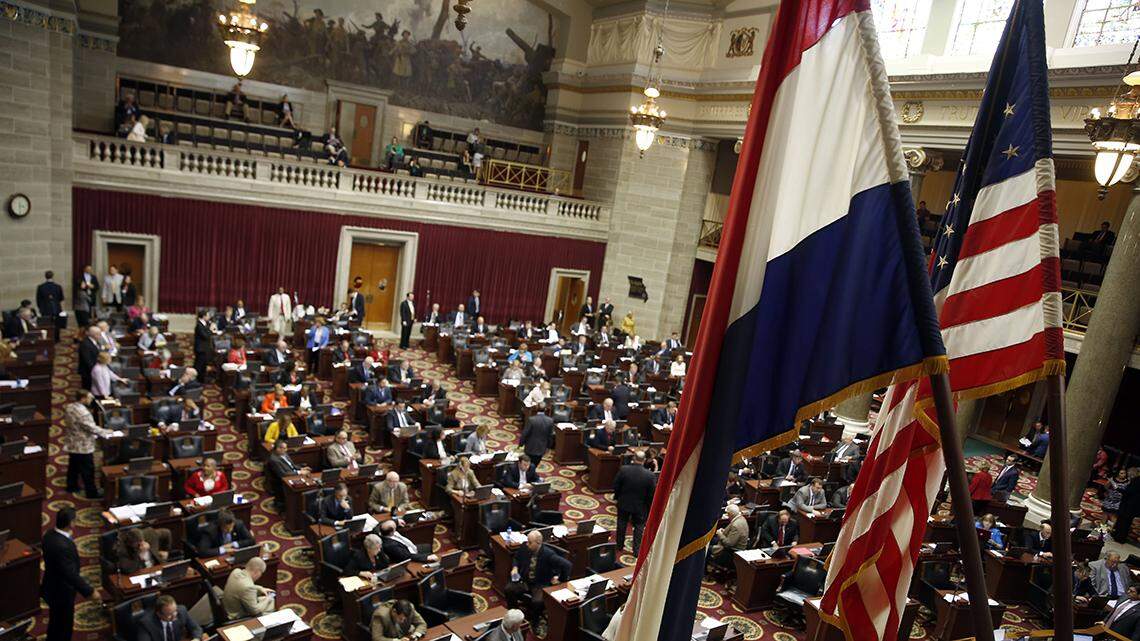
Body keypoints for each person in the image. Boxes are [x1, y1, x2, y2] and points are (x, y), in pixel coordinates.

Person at [42, 508, 100, 641]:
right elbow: (70, 574)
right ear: (71, 523)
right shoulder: (62, 546)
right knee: (64, 625)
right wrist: (89, 591)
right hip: (61, 592)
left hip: (52, 585)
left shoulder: (49, 535)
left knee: (56, 621)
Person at [505, 531, 571, 625]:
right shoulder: (524, 546)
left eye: (530, 542)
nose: (527, 544)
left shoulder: (549, 554)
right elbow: (516, 558)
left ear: (538, 543)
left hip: (540, 584)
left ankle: (534, 621)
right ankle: (514, 615)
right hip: (524, 580)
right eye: (527, 541)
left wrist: (561, 580)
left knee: (537, 602)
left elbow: (567, 565)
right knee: (508, 589)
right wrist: (515, 568)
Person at [63, 389, 114, 498]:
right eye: (89, 398)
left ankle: (71, 486)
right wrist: (106, 432)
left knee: (73, 466)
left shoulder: (70, 407)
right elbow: (91, 428)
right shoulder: (83, 413)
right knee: (88, 470)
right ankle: (91, 492)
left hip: (72, 442)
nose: (91, 400)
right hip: (83, 445)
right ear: (83, 398)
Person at [613, 451, 656, 554]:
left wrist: (618, 497)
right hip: (640, 506)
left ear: (633, 458)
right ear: (644, 460)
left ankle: (619, 546)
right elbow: (651, 494)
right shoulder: (650, 475)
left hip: (624, 502)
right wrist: (648, 506)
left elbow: (616, 485)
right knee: (639, 527)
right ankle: (636, 550)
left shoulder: (624, 470)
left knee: (622, 523)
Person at [136, 594, 206, 641]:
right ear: (159, 614)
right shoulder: (146, 624)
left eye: (175, 611)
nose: (174, 615)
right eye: (169, 614)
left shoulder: (181, 611)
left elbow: (196, 628)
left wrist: (196, 639)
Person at [266, 438, 309, 505]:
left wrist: (301, 468)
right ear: (278, 449)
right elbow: (283, 474)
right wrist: (299, 472)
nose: (286, 450)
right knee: (305, 486)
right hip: (285, 480)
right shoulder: (274, 460)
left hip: (293, 473)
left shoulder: (284, 454)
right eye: (284, 448)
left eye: (286, 448)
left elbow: (292, 465)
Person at [35, 270, 65, 342]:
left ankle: (48, 338)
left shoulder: (41, 287)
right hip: (56, 308)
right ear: (52, 276)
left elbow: (38, 299)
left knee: (46, 324)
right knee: (57, 324)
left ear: (45, 277)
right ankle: (57, 338)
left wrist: (40, 308)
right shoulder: (58, 287)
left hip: (45, 309)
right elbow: (61, 298)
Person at [1115, 468, 1140, 543]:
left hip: (1130, 504)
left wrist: (1118, 489)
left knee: (1124, 521)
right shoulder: (1136, 480)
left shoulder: (1136, 480)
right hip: (1134, 504)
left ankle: (1120, 537)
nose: (1128, 474)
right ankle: (1118, 535)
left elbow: (1129, 492)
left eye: (1129, 473)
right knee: (1125, 521)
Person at [193, 309, 213, 383]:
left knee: (203, 365)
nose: (209, 317)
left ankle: (201, 379)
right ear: (204, 316)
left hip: (205, 348)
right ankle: (195, 380)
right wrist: (210, 330)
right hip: (200, 349)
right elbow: (205, 336)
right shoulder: (199, 325)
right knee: (199, 365)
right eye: (208, 315)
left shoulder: (205, 323)